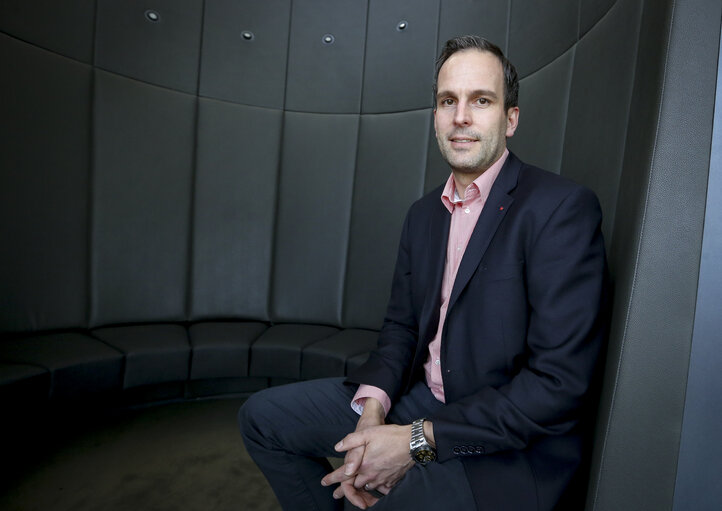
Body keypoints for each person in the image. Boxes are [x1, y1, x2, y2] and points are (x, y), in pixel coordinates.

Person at [240, 35, 608, 511]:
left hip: (506, 442)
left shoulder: (560, 209)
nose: (461, 116)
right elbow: (401, 327)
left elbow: (558, 385)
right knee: (262, 419)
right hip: (421, 402)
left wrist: (416, 442)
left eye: (482, 100)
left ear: (510, 118)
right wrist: (372, 412)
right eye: (447, 101)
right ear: (435, 116)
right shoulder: (422, 215)